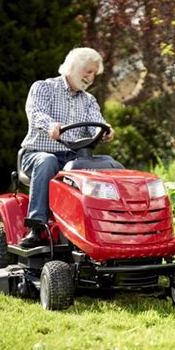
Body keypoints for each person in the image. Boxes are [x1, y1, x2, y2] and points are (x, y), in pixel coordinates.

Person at [18, 47, 114, 248]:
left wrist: (106, 130)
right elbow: (36, 114)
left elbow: (95, 121)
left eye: (93, 74)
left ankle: (107, 226)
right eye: (88, 72)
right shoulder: (43, 88)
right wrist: (51, 126)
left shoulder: (88, 100)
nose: (90, 78)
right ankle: (36, 227)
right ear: (74, 67)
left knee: (109, 164)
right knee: (48, 160)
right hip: (36, 155)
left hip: (71, 159)